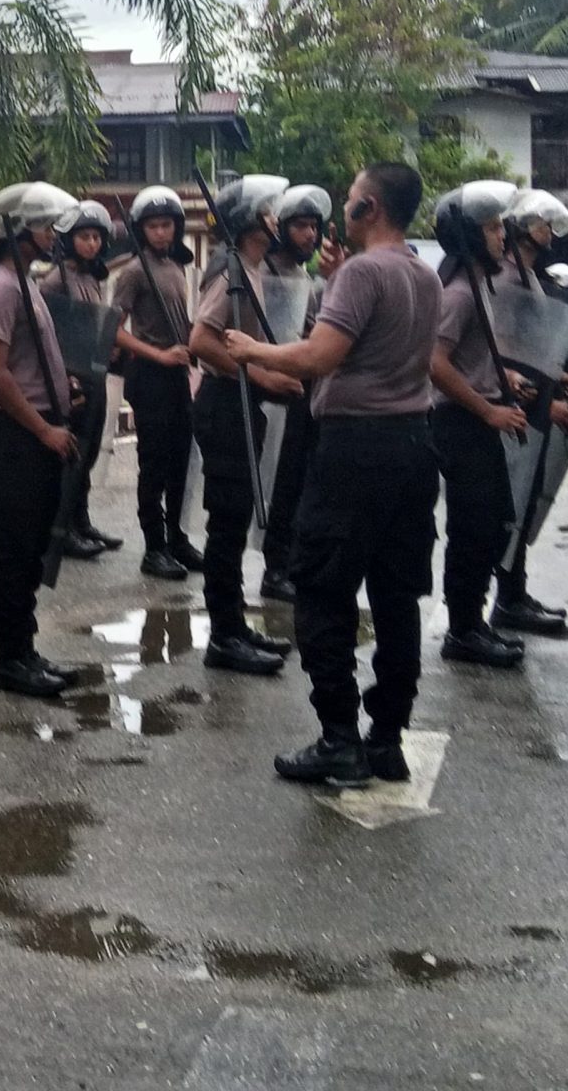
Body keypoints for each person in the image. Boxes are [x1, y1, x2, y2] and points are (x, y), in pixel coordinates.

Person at [225, 163, 443, 791]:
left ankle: (339, 741)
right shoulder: (420, 274)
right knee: (397, 599)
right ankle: (387, 740)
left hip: (354, 451)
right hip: (411, 447)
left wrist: (252, 350)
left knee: (323, 594)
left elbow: (320, 357)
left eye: (350, 201)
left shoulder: (365, 272)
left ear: (368, 208)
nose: (342, 209)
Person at [0, 181, 89, 700]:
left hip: (36, 428)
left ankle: (25, 649)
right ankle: (10, 659)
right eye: (45, 225)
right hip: (15, 436)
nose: (53, 235)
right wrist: (44, 428)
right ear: (20, 230)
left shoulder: (26, 283)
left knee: (30, 549)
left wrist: (64, 392)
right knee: (13, 551)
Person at [183, 176, 295, 680]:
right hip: (224, 402)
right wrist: (263, 376)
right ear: (250, 220)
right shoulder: (228, 270)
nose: (277, 220)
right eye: (269, 213)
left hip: (241, 402)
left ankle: (234, 623)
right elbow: (202, 342)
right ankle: (224, 637)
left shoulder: (251, 267)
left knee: (236, 518)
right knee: (226, 524)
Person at [428, 181, 531, 672]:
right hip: (460, 422)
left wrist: (502, 378)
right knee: (471, 529)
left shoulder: (481, 286)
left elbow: (468, 360)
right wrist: (488, 409)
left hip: (479, 417)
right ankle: (462, 629)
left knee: (493, 525)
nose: (501, 236)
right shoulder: (459, 294)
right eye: (491, 228)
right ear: (469, 235)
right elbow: (436, 363)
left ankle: (474, 621)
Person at [492, 189, 568, 636]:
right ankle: (505, 601)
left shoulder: (528, 276)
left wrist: (557, 376)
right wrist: (544, 397)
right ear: (520, 228)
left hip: (532, 407)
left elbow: (534, 347)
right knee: (510, 506)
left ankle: (515, 594)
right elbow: (506, 354)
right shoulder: (507, 279)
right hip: (514, 408)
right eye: (540, 224)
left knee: (524, 505)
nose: (548, 232)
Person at [112, 186, 205, 582]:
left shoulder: (176, 267)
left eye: (167, 225)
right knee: (153, 465)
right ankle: (154, 548)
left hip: (177, 377)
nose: (162, 233)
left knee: (181, 463)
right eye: (153, 226)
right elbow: (114, 331)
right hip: (149, 376)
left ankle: (176, 538)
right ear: (141, 229)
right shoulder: (134, 271)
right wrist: (160, 355)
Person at [259, 183, 337, 604]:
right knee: (274, 484)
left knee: (297, 483)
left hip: (302, 394)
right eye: (300, 226)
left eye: (313, 226)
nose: (309, 235)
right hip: (268, 393)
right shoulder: (263, 273)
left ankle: (289, 561)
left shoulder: (302, 276)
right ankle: (273, 569)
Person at [41, 199, 122, 559]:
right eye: (84, 236)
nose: (91, 244)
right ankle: (63, 529)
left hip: (94, 373)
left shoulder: (91, 276)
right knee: (71, 454)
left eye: (96, 237)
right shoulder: (56, 279)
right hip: (70, 378)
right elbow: (49, 333)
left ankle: (82, 519)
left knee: (87, 452)